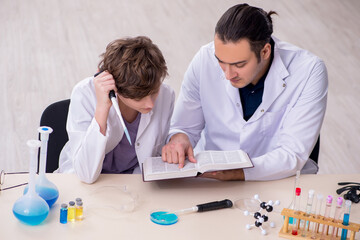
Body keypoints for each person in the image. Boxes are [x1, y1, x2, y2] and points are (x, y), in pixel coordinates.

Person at [161, 4, 328, 181]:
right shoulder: (204, 59)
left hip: (278, 179)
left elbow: (292, 153)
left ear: (265, 51)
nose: (227, 74)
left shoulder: (309, 71)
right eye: (221, 62)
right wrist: (179, 140)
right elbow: (184, 127)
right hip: (214, 178)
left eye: (239, 65)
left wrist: (239, 172)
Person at [57, 36, 175, 184]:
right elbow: (86, 174)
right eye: (139, 98)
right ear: (115, 88)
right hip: (86, 182)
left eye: (154, 92)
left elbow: (153, 156)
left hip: (134, 182)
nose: (150, 104)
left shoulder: (166, 95)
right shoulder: (84, 94)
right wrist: (102, 107)